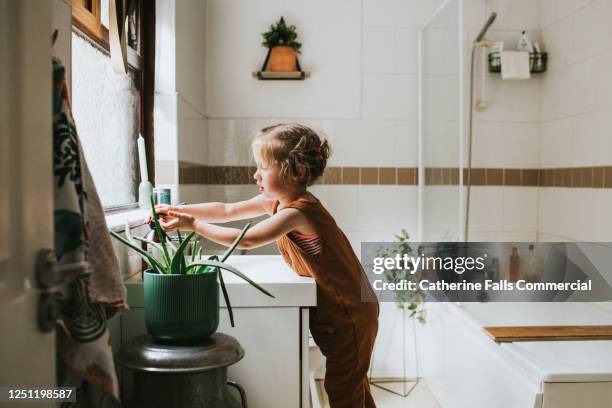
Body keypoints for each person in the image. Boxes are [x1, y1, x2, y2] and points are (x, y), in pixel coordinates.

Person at [153, 123, 379, 407]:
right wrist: (178, 211)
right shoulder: (276, 202)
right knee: (353, 388)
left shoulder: (298, 211)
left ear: (295, 172)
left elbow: (245, 240)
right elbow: (226, 211)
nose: (255, 174)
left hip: (350, 315)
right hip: (341, 312)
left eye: (263, 167)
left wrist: (195, 226)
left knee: (344, 392)